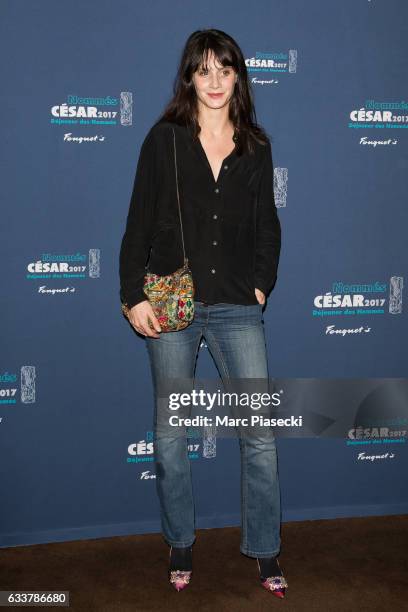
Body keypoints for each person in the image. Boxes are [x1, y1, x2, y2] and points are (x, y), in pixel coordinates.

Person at [119, 28, 287, 597]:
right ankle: (181, 542)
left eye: (225, 69)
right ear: (188, 77)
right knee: (171, 435)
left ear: (239, 76)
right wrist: (131, 294)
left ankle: (265, 550)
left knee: (260, 435)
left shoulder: (256, 147)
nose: (214, 81)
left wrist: (261, 284)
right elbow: (138, 221)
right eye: (203, 70)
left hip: (239, 306)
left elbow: (268, 224)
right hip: (172, 306)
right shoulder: (163, 140)